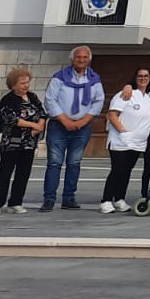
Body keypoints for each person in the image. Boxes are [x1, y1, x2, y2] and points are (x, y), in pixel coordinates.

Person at [41, 45, 104, 211]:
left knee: (74, 163)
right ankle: (49, 199)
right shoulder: (59, 77)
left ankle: (69, 198)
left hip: (82, 127)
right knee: (54, 163)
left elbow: (98, 101)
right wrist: (64, 120)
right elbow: (50, 99)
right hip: (58, 126)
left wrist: (83, 121)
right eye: (78, 57)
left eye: (84, 57)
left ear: (89, 60)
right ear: (72, 59)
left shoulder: (95, 79)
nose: (81, 60)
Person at [0, 67, 46, 214]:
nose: (26, 85)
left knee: (23, 173)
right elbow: (12, 119)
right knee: (5, 173)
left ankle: (16, 202)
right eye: (22, 83)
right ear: (13, 85)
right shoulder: (7, 100)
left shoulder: (33, 97)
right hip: (11, 143)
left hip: (29, 143)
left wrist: (40, 125)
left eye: (27, 82)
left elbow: (42, 113)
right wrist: (33, 125)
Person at [101, 67, 150, 213]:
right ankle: (106, 200)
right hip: (121, 140)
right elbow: (112, 114)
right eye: (140, 76)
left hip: (138, 143)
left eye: (146, 76)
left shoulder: (149, 98)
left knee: (126, 171)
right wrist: (122, 131)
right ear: (135, 78)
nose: (143, 78)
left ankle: (119, 199)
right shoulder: (126, 94)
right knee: (117, 170)